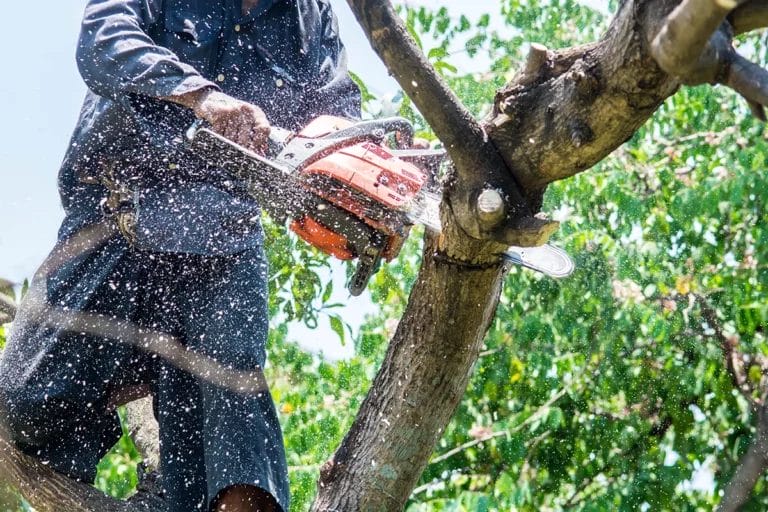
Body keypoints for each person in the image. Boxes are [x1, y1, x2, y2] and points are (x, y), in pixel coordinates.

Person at [0, 0, 360, 511]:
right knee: (21, 404)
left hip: (223, 234)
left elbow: (336, 112)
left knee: (232, 416)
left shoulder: (307, 15)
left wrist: (359, 182)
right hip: (118, 213)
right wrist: (202, 98)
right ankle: (135, 371)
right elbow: (103, 38)